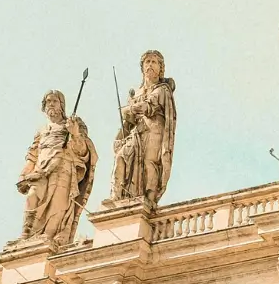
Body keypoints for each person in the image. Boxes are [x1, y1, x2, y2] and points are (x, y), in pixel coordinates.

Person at [16, 89, 98, 248]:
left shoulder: (73, 124)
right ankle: (26, 236)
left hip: (63, 168)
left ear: (62, 105)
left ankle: (48, 239)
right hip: (41, 170)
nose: (51, 104)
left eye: (54, 101)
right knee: (32, 196)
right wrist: (24, 173)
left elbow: (83, 151)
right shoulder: (42, 130)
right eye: (48, 101)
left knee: (57, 206)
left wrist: (74, 134)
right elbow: (33, 155)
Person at [110, 49, 176, 209]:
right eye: (147, 62)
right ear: (142, 68)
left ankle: (149, 200)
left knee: (149, 163)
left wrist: (130, 108)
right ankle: (118, 196)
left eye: (154, 62)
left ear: (161, 68)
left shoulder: (162, 89)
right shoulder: (137, 92)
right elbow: (128, 118)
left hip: (154, 130)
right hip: (137, 132)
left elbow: (148, 107)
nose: (150, 65)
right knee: (122, 156)